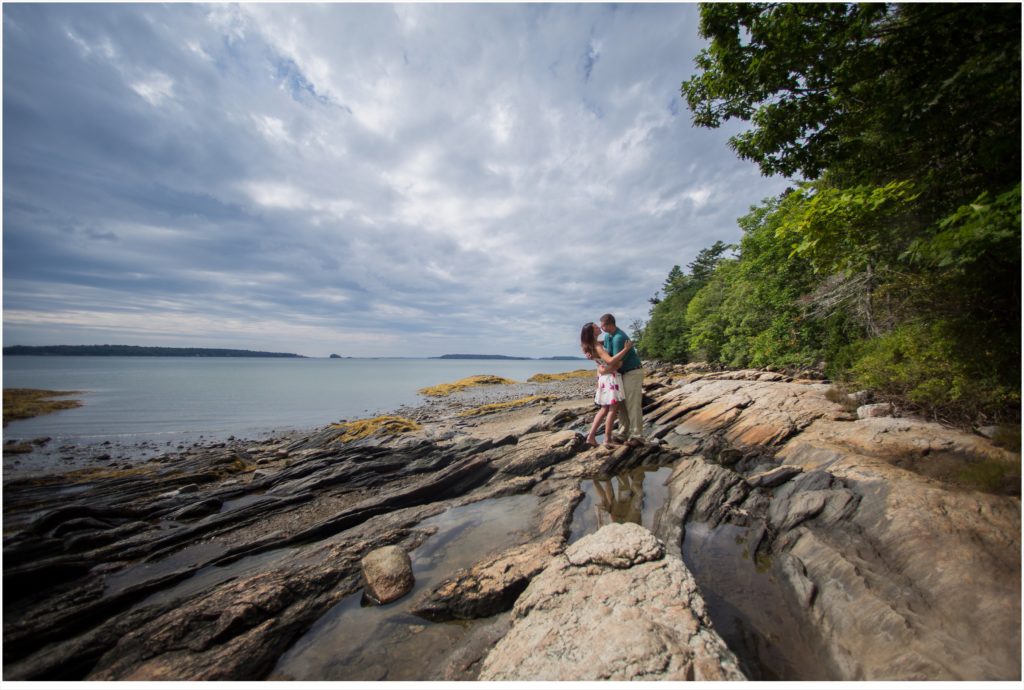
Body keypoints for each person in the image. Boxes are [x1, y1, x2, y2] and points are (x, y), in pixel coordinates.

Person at [580, 322, 634, 448]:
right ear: (592, 332)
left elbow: (601, 353)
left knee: (604, 409)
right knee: (612, 410)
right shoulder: (596, 346)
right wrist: (626, 349)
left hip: (604, 378)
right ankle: (607, 440)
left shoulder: (589, 345)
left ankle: (591, 436)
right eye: (596, 327)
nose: (599, 328)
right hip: (610, 379)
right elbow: (610, 360)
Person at [599, 313, 645, 446]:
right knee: (622, 403)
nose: (602, 329)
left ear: (608, 325)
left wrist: (603, 371)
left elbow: (616, 361)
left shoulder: (619, 338)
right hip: (623, 373)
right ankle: (623, 432)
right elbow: (607, 348)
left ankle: (637, 436)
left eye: (602, 326)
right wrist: (594, 345)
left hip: (633, 372)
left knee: (633, 404)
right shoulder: (609, 335)